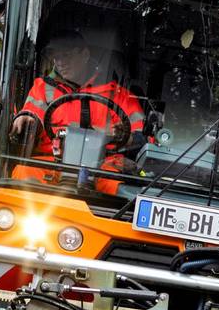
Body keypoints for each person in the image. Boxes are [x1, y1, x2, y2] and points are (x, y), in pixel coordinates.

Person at [9, 30, 145, 194]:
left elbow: (144, 136)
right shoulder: (43, 88)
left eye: (66, 55)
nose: (60, 62)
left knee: (125, 191)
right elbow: (32, 114)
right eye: (56, 57)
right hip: (54, 163)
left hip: (103, 168)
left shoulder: (120, 95)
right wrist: (26, 118)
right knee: (23, 173)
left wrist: (126, 136)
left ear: (85, 54)